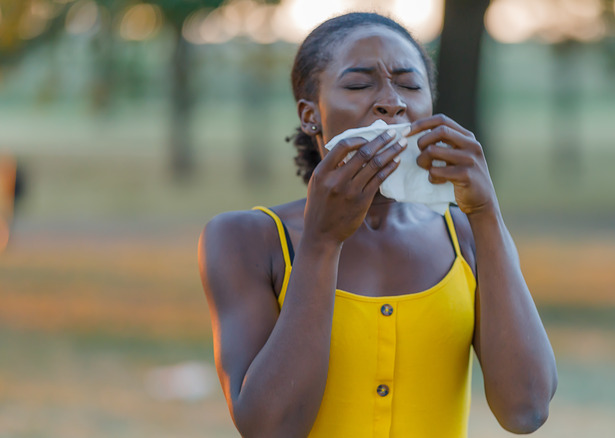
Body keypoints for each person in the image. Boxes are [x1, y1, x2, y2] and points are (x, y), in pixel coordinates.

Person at [198, 12, 557, 438]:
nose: (392, 101)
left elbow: (526, 410)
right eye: (358, 84)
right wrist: (321, 243)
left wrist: (487, 215)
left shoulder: (464, 236)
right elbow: (270, 429)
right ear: (310, 114)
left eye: (409, 84)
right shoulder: (247, 240)